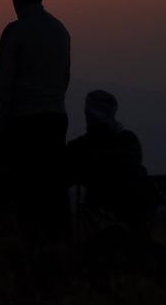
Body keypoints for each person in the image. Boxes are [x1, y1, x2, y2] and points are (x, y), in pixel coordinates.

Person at [0, 0, 71, 239]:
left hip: (24, 120)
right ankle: (61, 241)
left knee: (26, 188)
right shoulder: (60, 30)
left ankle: (31, 243)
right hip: (56, 117)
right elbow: (65, 77)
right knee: (53, 185)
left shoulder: (15, 32)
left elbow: (4, 84)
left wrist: (0, 123)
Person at [65, 90, 155, 241]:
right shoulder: (129, 140)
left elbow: (65, 178)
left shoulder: (79, 148)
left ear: (87, 114)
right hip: (134, 216)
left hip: (100, 217)